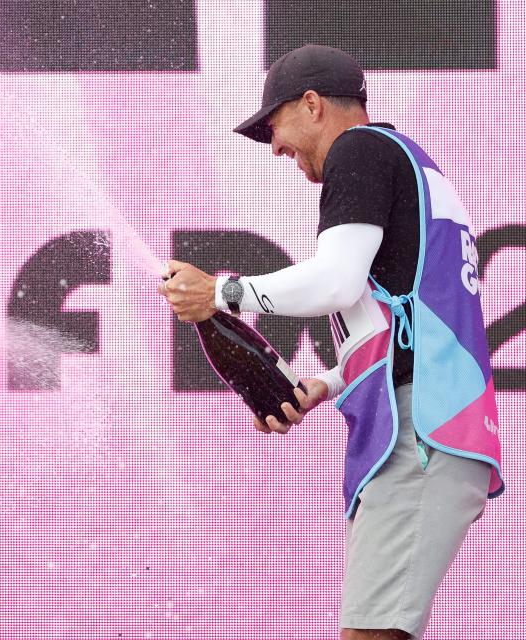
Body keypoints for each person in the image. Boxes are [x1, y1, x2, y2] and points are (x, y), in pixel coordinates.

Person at [159, 44, 503, 639]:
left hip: (424, 430)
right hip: (431, 425)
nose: (275, 147)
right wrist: (330, 382)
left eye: (274, 126)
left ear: (312, 104)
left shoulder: (361, 149)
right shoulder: (409, 161)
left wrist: (222, 293)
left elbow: (336, 281)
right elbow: (405, 318)